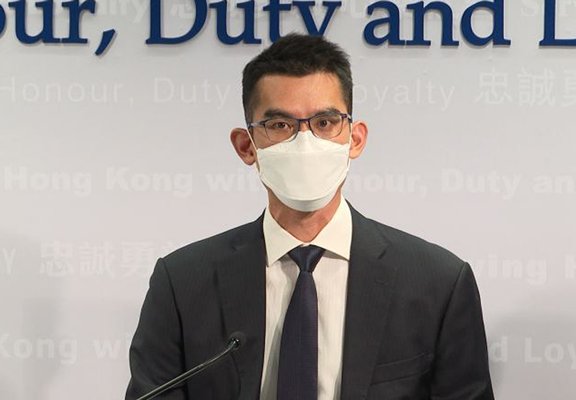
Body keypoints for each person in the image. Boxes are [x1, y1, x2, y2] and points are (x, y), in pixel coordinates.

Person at [125, 34, 494, 400]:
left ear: (355, 139)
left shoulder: (438, 284)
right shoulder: (182, 284)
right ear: (246, 146)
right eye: (280, 125)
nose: (305, 142)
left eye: (325, 122)